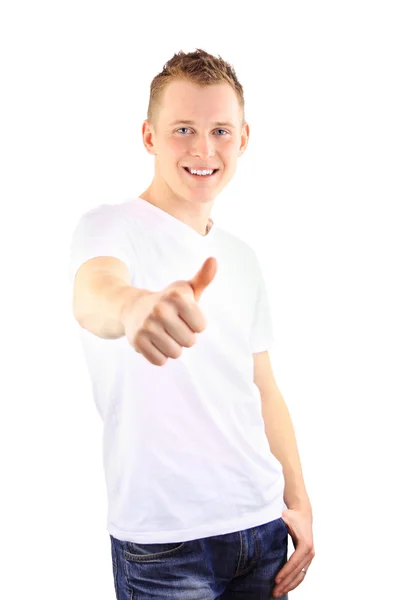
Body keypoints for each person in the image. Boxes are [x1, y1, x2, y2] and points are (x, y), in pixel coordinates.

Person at [69, 48, 315, 600]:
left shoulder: (242, 256)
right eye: (183, 129)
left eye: (220, 131)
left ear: (244, 139)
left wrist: (298, 502)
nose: (204, 149)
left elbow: (263, 387)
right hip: (166, 544)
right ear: (149, 136)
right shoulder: (108, 228)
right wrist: (133, 307)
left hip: (262, 529)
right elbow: (95, 294)